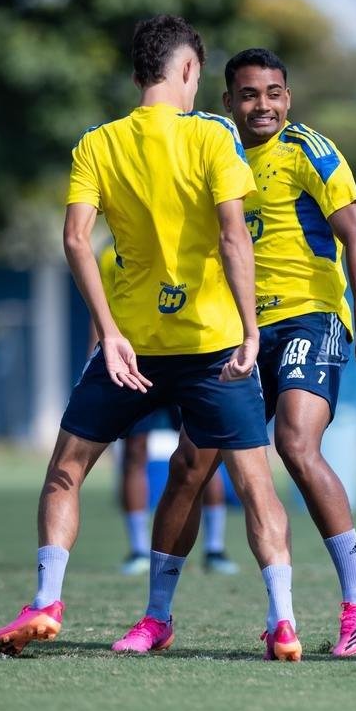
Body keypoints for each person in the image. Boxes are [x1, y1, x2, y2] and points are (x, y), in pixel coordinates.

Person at [0, 15, 300, 660]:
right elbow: (235, 237)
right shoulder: (215, 138)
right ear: (189, 71)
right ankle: (284, 619)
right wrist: (250, 331)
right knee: (254, 483)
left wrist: (107, 331)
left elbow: (75, 240)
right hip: (212, 341)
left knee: (65, 474)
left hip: (130, 344)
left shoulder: (96, 144)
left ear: (137, 77)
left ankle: (47, 600)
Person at [144, 48, 356, 658]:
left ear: (289, 97)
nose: (265, 105)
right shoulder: (211, 149)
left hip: (310, 317)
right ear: (228, 100)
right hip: (236, 332)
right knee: (189, 464)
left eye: (275, 93)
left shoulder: (310, 149)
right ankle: (156, 617)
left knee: (296, 444)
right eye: (251, 94)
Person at [95, 245, 237, 576]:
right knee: (134, 452)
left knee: (202, 453)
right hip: (138, 363)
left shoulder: (193, 244)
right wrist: (101, 358)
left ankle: (214, 548)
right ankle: (137, 549)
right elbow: (101, 317)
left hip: (190, 360)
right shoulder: (109, 258)